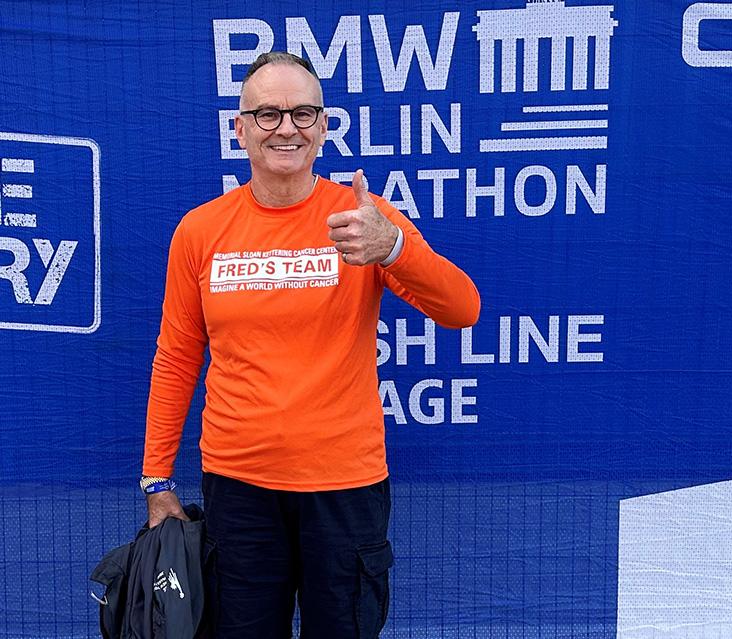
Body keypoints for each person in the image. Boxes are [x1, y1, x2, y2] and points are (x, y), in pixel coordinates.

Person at [140, 51, 480, 638]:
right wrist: (156, 479)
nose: (286, 128)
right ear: (239, 128)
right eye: (267, 113)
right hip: (239, 489)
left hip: (344, 486)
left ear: (323, 128)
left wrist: (397, 248)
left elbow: (462, 309)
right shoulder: (199, 231)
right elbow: (176, 357)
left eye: (303, 112)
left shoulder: (362, 221)